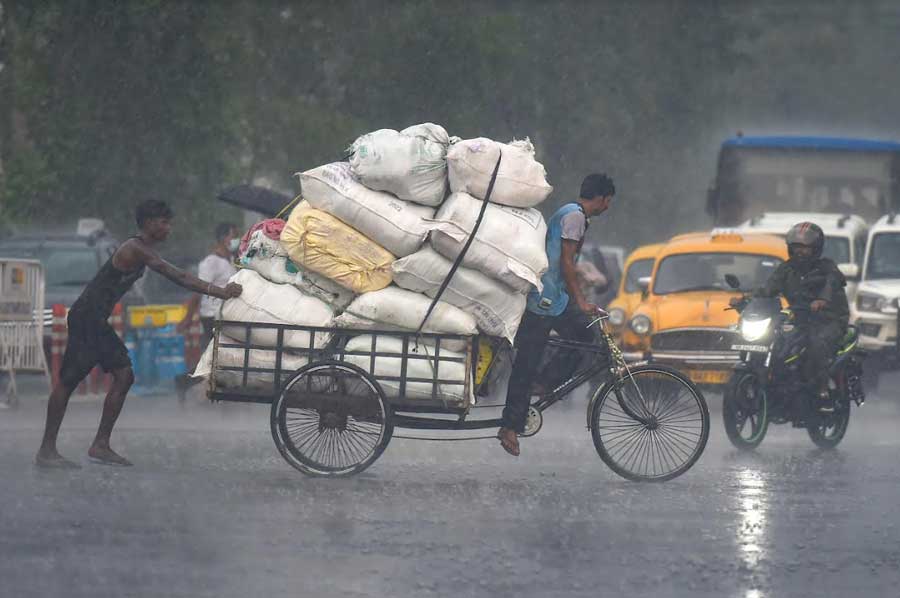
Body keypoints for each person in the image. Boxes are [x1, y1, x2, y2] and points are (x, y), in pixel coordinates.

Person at [35, 201, 243, 469]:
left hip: (92, 319)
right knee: (85, 380)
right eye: (164, 222)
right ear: (148, 224)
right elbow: (177, 275)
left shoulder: (142, 250)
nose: (169, 228)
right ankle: (59, 449)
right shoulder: (134, 249)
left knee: (93, 378)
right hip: (88, 319)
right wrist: (220, 291)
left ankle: (90, 445)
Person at [498, 174, 616, 456]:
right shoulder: (575, 217)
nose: (607, 207)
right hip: (545, 300)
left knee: (587, 336)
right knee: (527, 364)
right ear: (601, 198)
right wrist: (582, 301)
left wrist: (580, 300)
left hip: (556, 300)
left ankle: (546, 382)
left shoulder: (572, 215)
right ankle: (510, 426)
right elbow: (565, 261)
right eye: (608, 201)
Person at [758, 221, 849, 412]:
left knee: (815, 343)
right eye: (797, 247)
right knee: (777, 342)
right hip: (801, 319)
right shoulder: (786, 269)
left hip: (829, 319)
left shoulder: (826, 267)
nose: (801, 252)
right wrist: (746, 299)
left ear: (816, 249)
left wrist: (822, 299)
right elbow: (768, 289)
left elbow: (832, 282)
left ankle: (822, 392)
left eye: (806, 248)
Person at [178, 222, 240, 347]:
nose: (237, 240)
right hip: (211, 316)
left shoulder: (233, 261)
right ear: (224, 238)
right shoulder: (210, 262)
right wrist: (188, 317)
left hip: (226, 315)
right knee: (213, 352)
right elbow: (198, 289)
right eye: (234, 236)